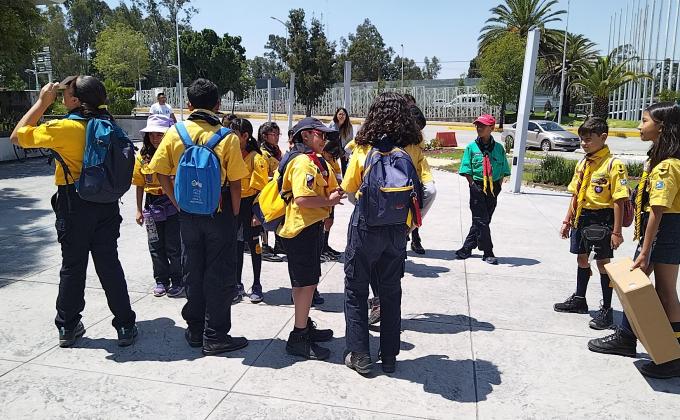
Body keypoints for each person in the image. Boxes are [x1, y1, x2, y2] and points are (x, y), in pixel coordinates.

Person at [10, 75, 137, 347]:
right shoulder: (108, 124)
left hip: (74, 202)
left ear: (77, 100)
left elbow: (17, 136)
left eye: (65, 94)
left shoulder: (63, 128)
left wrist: (42, 102)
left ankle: (68, 326)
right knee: (109, 264)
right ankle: (125, 325)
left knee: (73, 265)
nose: (62, 98)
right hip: (106, 201)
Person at [147, 78, 249, 356]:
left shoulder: (175, 132)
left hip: (188, 214)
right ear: (218, 104)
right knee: (219, 273)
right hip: (220, 212)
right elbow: (236, 183)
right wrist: (234, 215)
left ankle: (194, 330)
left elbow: (160, 172)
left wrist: (177, 203)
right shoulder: (227, 137)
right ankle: (215, 335)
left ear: (189, 104)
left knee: (192, 269)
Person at [589, 102, 680, 379]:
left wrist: (645, 249)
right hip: (664, 230)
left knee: (659, 290)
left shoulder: (667, 166)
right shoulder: (663, 160)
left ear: (662, 127)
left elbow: (658, 210)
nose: (640, 126)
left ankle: (671, 356)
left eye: (645, 121)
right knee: (643, 286)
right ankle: (628, 338)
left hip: (664, 231)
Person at [342, 92, 423, 375]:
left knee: (356, 288)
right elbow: (426, 189)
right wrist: (410, 225)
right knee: (391, 290)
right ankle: (389, 356)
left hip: (365, 227)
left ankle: (360, 354)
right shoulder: (412, 147)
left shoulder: (364, 147)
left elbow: (349, 188)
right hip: (397, 229)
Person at [277, 117, 343, 360]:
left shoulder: (312, 159)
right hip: (301, 229)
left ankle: (303, 324)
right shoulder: (303, 162)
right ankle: (299, 336)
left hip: (308, 227)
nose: (324, 139)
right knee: (304, 285)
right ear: (305, 135)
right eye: (320, 134)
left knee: (308, 282)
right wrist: (329, 201)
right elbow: (302, 199)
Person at [553, 117, 629, 330]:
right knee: (581, 258)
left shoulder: (613, 164)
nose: (583, 143)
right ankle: (579, 299)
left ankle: (607, 309)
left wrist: (617, 232)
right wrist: (567, 220)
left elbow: (619, 200)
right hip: (581, 216)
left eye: (588, 139)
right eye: (581, 139)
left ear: (603, 137)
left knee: (603, 263)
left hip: (601, 218)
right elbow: (575, 194)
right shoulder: (582, 163)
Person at [132, 114, 184, 298]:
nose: (155, 138)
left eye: (160, 134)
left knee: (173, 245)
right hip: (151, 205)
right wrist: (139, 209)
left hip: (171, 204)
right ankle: (161, 280)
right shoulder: (142, 157)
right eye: (152, 134)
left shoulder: (174, 154)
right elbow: (139, 184)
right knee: (155, 245)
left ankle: (178, 280)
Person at [456, 114, 511, 264]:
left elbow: (504, 169)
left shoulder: (499, 148)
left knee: (483, 220)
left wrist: (499, 186)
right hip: (477, 186)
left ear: (492, 128)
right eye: (477, 125)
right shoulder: (471, 147)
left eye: (482, 126)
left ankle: (467, 248)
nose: (479, 128)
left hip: (493, 187)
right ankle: (488, 252)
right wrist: (472, 185)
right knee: (481, 220)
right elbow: (466, 169)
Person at [231, 118, 268, 304]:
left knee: (255, 247)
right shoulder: (231, 154)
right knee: (237, 246)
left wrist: (257, 213)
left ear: (245, 136)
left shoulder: (256, 158)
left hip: (251, 206)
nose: (231, 137)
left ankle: (257, 284)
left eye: (235, 134)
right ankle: (237, 283)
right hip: (235, 206)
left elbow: (262, 189)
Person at [402, 94, 432, 255]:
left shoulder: (417, 134)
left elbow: (420, 154)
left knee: (416, 208)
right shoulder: (396, 130)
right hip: (400, 177)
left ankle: (415, 237)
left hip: (415, 176)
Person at [257, 122, 285, 263]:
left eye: (278, 134)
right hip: (265, 190)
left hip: (276, 189)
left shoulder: (276, 151)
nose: (277, 137)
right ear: (264, 136)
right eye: (273, 134)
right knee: (265, 218)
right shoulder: (263, 153)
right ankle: (265, 246)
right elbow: (262, 175)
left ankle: (279, 244)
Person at [329, 107, 354, 175]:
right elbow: (328, 136)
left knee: (345, 168)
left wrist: (347, 154)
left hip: (344, 149)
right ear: (336, 115)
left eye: (343, 114)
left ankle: (345, 180)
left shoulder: (349, 126)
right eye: (340, 114)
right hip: (334, 148)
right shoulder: (332, 124)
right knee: (332, 167)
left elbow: (351, 141)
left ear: (346, 116)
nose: (341, 116)